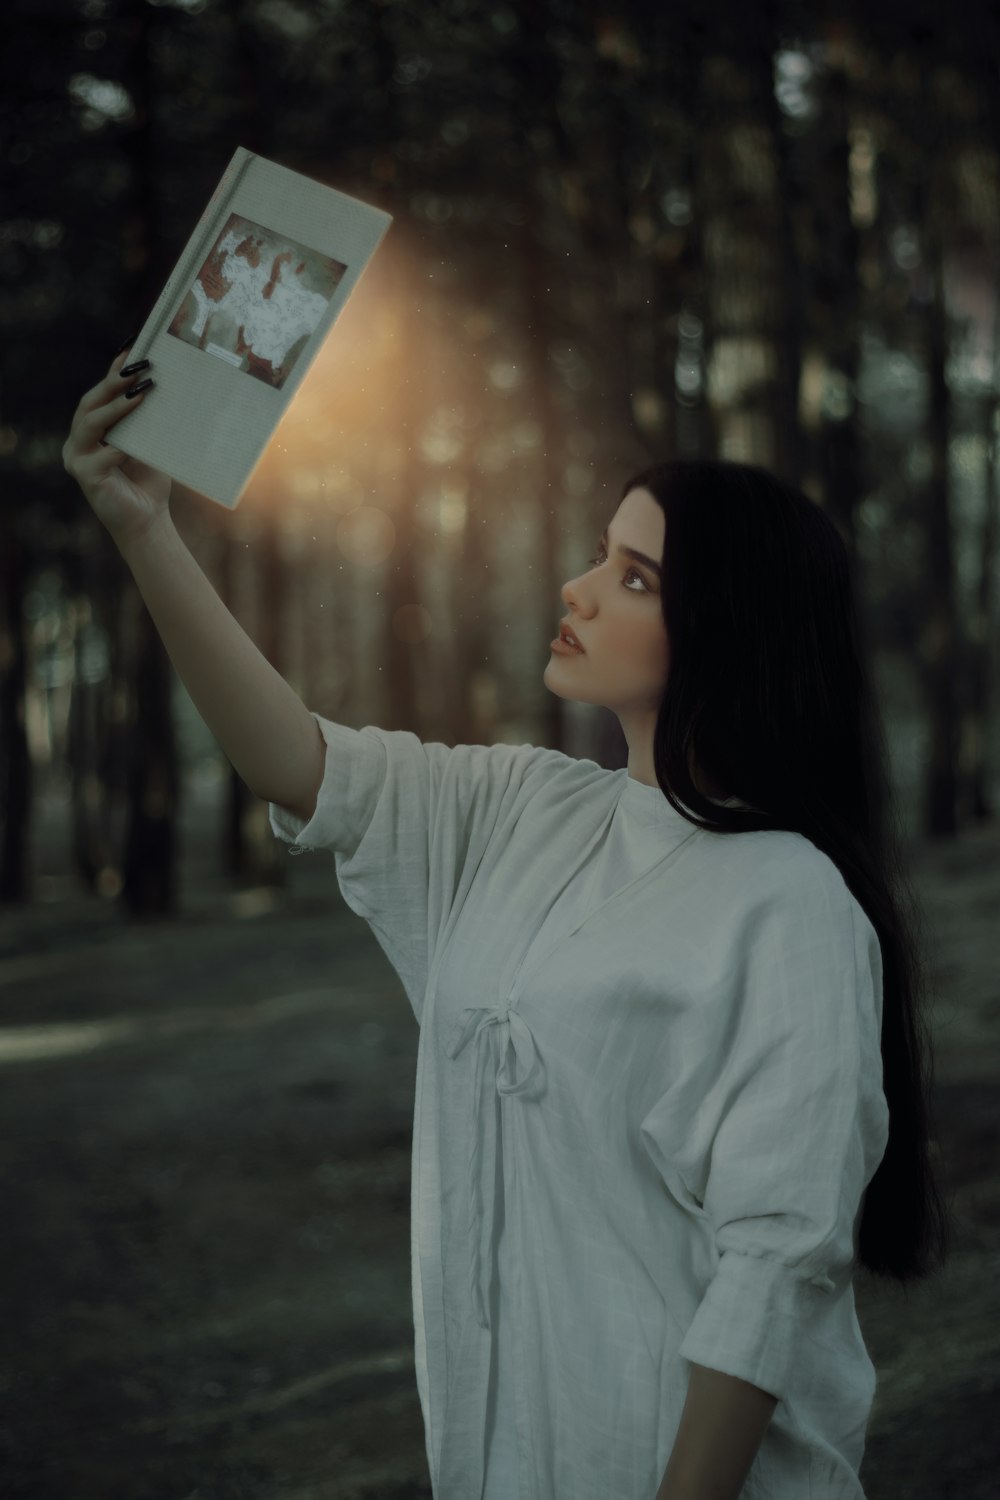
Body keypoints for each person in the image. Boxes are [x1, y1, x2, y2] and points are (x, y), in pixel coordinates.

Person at [64, 342, 949, 1500]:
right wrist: (145, 527)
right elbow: (298, 762)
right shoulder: (523, 807)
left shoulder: (790, 902)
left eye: (636, 578)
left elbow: (774, 1265)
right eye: (598, 557)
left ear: (730, 628)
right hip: (507, 1451)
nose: (579, 590)